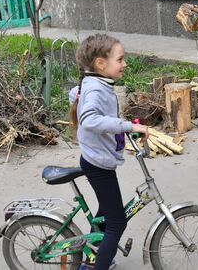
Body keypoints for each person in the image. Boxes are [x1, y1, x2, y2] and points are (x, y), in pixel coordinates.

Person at [69, 34, 149, 270]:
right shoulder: (96, 87)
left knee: (105, 216)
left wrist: (120, 124)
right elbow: (90, 120)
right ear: (100, 64)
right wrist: (129, 126)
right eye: (120, 59)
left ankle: (94, 256)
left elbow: (74, 94)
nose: (125, 64)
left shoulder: (94, 83)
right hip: (98, 165)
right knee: (116, 223)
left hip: (99, 161)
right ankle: (96, 266)